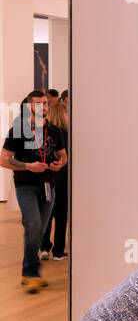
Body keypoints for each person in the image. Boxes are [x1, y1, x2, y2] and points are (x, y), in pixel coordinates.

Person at [1, 90, 67, 293]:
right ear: (29, 106)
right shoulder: (19, 129)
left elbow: (63, 156)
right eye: (38, 104)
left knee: (38, 231)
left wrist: (59, 164)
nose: (44, 108)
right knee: (33, 224)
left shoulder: (54, 131)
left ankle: (29, 269)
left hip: (48, 186)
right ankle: (30, 273)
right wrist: (29, 166)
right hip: (25, 186)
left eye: (45, 104)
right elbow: (4, 159)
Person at [39, 94, 69, 260]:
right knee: (61, 214)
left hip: (47, 178)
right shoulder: (67, 134)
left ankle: (44, 247)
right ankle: (58, 251)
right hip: (63, 179)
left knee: (47, 214)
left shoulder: (45, 133)